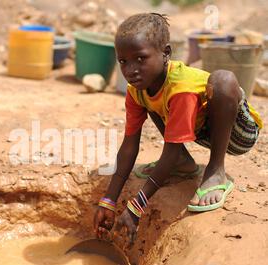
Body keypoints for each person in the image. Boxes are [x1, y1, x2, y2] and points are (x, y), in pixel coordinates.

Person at [94, 13, 263, 242]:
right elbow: (129, 145)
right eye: (123, 61)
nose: (131, 70)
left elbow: (170, 149)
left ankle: (216, 171)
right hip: (199, 128)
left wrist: (136, 207)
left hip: (236, 132)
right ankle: (185, 164)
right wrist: (109, 200)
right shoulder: (137, 89)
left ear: (166, 53)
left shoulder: (180, 87)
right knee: (152, 97)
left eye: (141, 58)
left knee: (223, 80)